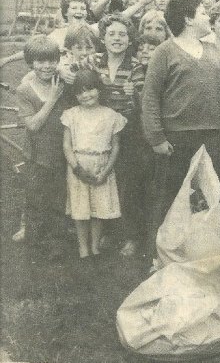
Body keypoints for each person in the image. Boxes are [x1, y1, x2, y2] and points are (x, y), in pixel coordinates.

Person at [142, 0, 220, 230]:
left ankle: (209, 247)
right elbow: (150, 98)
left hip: (212, 137)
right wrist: (156, 138)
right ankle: (160, 255)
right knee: (171, 196)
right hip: (175, 138)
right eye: (202, 13)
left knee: (213, 194)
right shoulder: (164, 52)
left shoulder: (212, 51)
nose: (208, 17)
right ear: (188, 19)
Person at [69, 14, 148, 257]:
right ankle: (105, 233)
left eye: (122, 34)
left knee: (127, 183)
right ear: (102, 38)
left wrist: (133, 94)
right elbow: (71, 73)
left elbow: (143, 103)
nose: (117, 38)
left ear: (129, 39)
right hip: (95, 130)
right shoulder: (93, 61)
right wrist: (66, 73)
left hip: (127, 131)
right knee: (99, 182)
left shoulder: (135, 66)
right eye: (111, 34)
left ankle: (130, 236)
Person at [62, 69, 127, 259]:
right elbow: (67, 145)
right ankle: (83, 248)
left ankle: (95, 245)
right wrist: (77, 169)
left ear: (99, 90)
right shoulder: (71, 115)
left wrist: (106, 171)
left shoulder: (111, 115)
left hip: (102, 165)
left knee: (99, 208)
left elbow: (115, 147)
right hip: (79, 165)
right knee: (80, 207)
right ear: (75, 95)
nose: (86, 95)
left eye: (90, 89)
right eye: (80, 92)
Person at [14, 36, 68, 259]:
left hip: (61, 152)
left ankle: (55, 246)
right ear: (30, 62)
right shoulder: (25, 89)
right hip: (37, 155)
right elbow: (33, 125)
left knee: (58, 200)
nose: (46, 66)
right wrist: (53, 98)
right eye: (40, 61)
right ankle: (34, 247)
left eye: (51, 61)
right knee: (36, 201)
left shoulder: (64, 81)